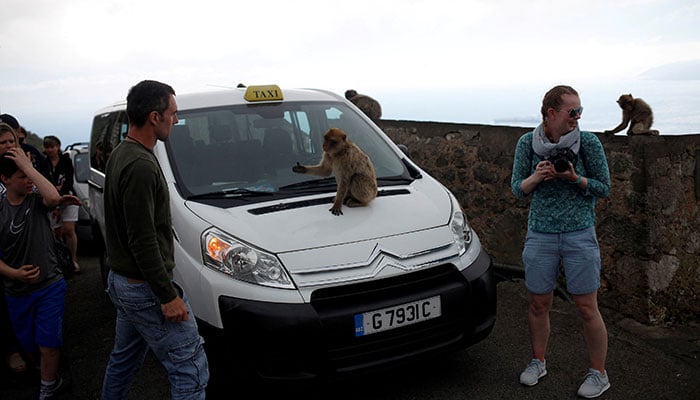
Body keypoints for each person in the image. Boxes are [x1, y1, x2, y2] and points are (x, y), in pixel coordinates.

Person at [101, 80, 209, 400]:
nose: (175, 120)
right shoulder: (140, 166)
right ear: (154, 117)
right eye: (172, 114)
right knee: (190, 365)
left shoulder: (122, 153)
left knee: (124, 360)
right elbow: (143, 239)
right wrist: (167, 295)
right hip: (144, 288)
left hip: (124, 282)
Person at [510, 85, 611, 398]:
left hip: (579, 232)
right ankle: (538, 361)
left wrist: (574, 178)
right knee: (539, 304)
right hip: (541, 232)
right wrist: (537, 177)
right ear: (551, 113)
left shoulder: (588, 143)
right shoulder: (527, 143)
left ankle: (599, 373)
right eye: (572, 111)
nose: (577, 117)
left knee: (586, 307)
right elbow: (517, 189)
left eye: (580, 111)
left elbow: (603, 187)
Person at [0, 146, 79, 399]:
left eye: (29, 175)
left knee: (48, 342)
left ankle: (47, 388)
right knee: (29, 345)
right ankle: (49, 375)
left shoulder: (36, 201)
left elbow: (54, 199)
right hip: (17, 291)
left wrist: (28, 167)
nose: (28, 181)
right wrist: (14, 273)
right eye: (22, 176)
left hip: (49, 285)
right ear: (5, 179)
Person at [0, 123, 27, 374]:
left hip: (25, 245)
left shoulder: (26, 167)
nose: (8, 146)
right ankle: (12, 350)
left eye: (11, 141)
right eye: (3, 143)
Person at [43, 135, 81, 274]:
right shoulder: (44, 162)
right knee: (56, 232)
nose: (50, 149)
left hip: (68, 198)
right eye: (47, 147)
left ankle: (73, 258)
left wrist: (61, 197)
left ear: (58, 147)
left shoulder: (66, 160)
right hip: (51, 199)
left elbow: (69, 180)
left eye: (52, 146)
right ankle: (60, 259)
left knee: (69, 230)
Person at [0, 114, 50, 179]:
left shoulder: (30, 152)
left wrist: (28, 169)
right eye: (3, 142)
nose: (9, 145)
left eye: (11, 141)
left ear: (17, 132)